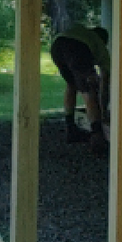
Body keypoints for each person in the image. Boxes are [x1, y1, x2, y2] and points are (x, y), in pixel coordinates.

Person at [49, 19, 111, 149]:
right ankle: (97, 135)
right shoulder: (100, 48)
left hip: (57, 46)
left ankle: (70, 128)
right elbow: (105, 83)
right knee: (89, 89)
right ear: (104, 41)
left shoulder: (83, 32)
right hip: (77, 48)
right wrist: (103, 110)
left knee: (71, 85)